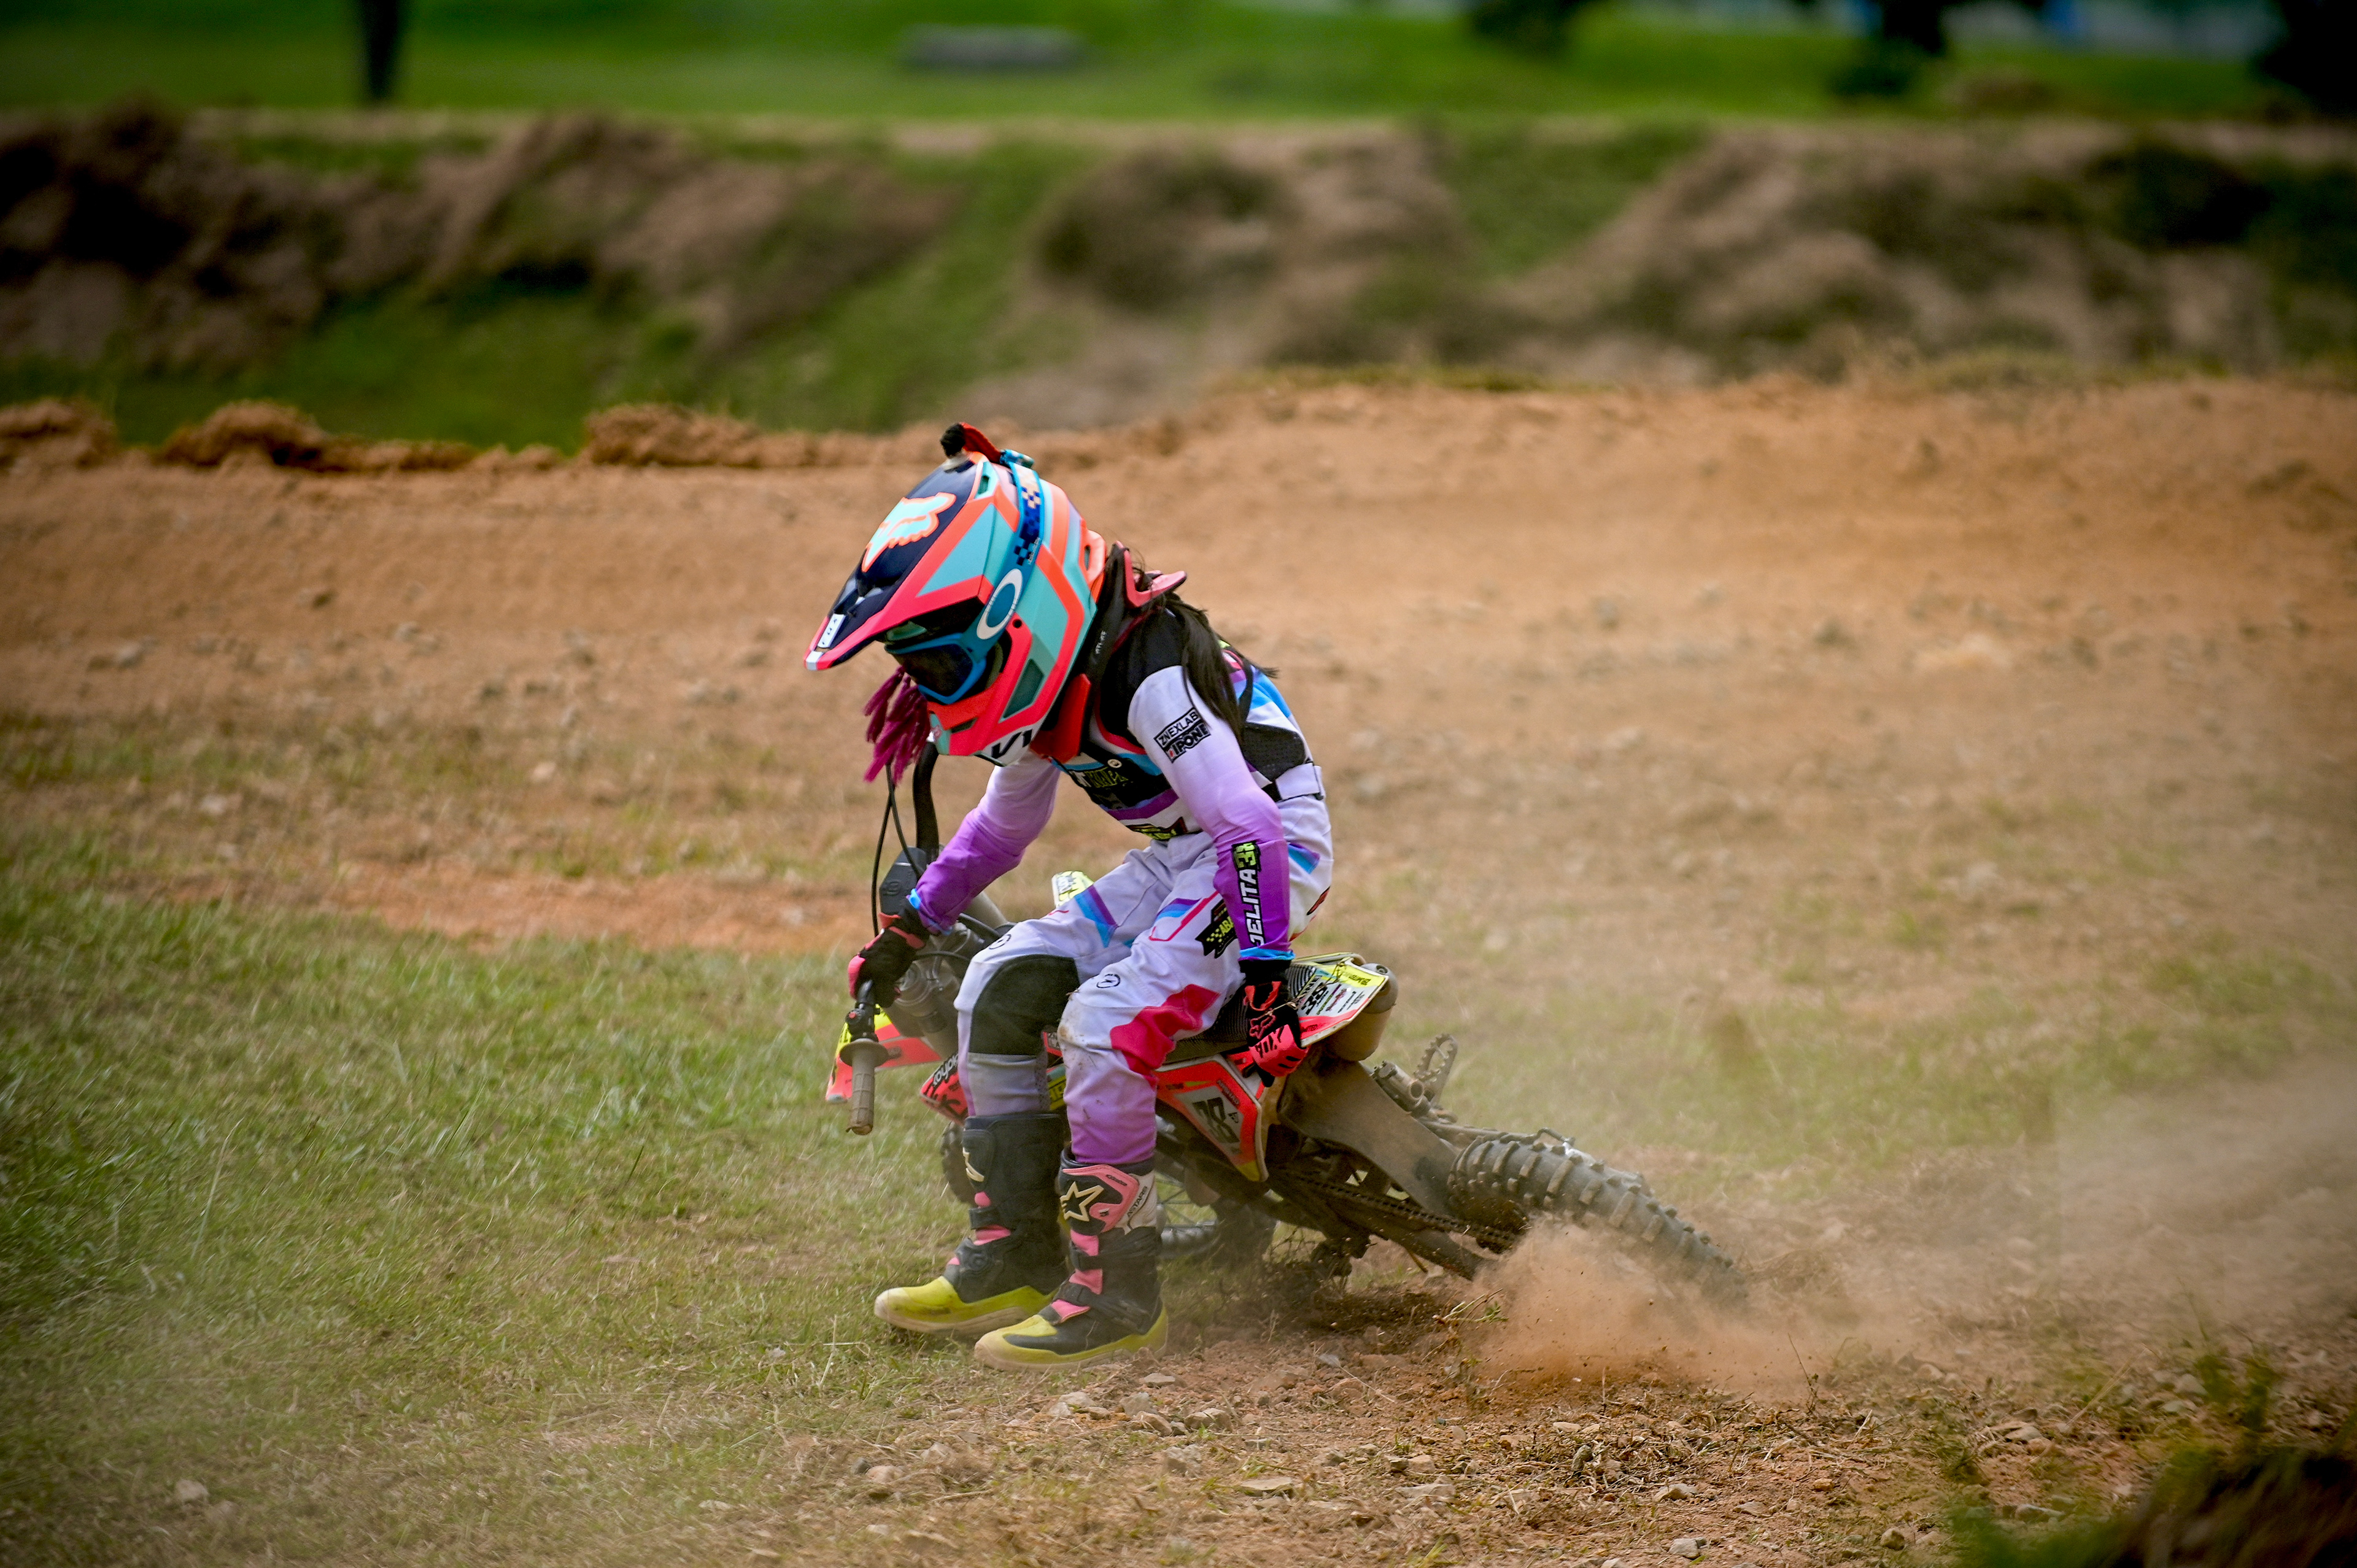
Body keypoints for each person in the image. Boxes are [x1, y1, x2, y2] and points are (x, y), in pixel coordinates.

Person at [805, 422, 1333, 1370]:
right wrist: (909, 931)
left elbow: (1250, 826)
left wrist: (1262, 971)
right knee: (993, 987)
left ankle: (1118, 1297)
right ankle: (1016, 1256)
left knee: (1105, 1025)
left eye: (942, 664)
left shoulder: (1147, 676)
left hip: (1263, 850)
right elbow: (999, 834)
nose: (933, 689)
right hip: (1186, 853)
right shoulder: (1055, 688)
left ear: (1022, 613)